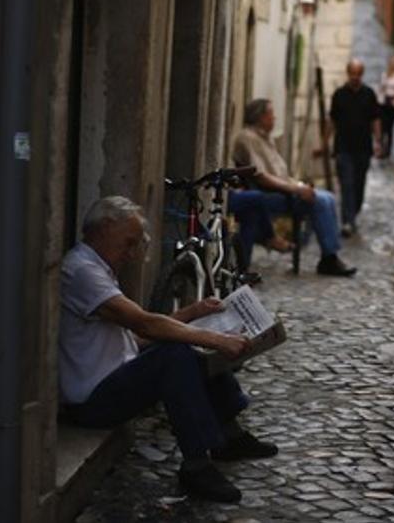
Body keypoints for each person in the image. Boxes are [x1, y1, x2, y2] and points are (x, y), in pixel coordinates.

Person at [59, 196, 277, 504]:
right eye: (129, 243)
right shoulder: (81, 271)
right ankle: (196, 465)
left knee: (185, 347)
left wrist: (194, 313)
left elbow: (136, 336)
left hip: (114, 377)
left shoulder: (98, 268)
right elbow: (144, 324)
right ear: (104, 228)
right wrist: (215, 339)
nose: (133, 254)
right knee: (177, 355)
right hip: (92, 402)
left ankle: (230, 435)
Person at [231, 98, 358, 277]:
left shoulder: (265, 138)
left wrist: (299, 185)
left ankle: (330, 255)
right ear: (260, 117)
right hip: (268, 195)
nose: (274, 118)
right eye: (271, 114)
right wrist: (296, 190)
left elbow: (280, 174)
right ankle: (329, 259)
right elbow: (262, 177)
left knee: (328, 197)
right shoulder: (247, 138)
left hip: (282, 191)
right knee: (320, 201)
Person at [328, 59, 382, 237]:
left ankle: (353, 212)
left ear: (362, 74)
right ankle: (347, 221)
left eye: (358, 74)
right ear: (348, 73)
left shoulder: (369, 94)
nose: (355, 77)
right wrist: (324, 142)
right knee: (347, 184)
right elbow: (332, 120)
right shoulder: (339, 95)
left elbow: (375, 119)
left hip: (363, 148)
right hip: (343, 147)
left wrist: (378, 141)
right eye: (352, 73)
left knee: (359, 184)